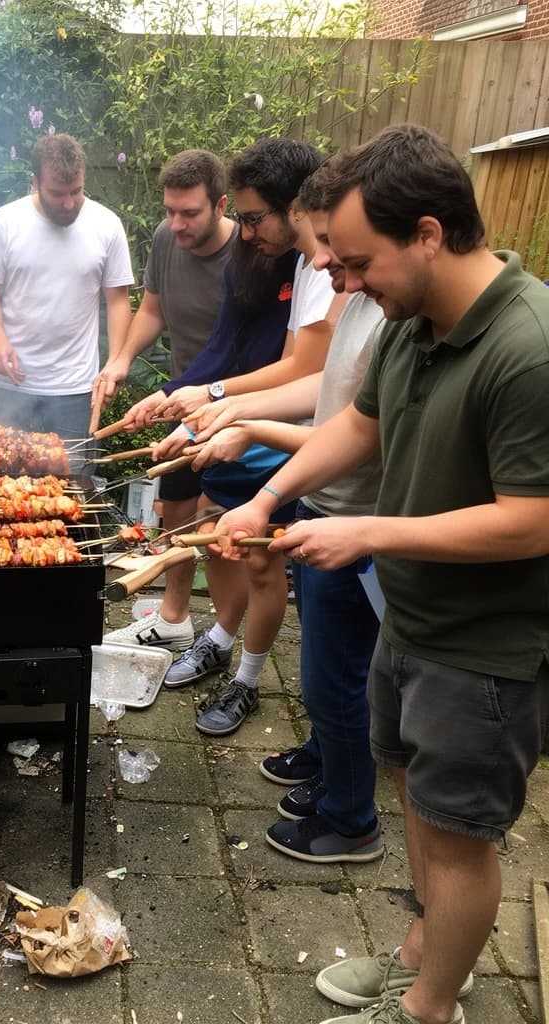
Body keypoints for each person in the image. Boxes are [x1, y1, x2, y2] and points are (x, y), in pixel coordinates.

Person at [213, 124, 549, 1024]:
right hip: (411, 620)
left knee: (460, 836)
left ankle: (429, 1007)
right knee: (416, 802)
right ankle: (424, 952)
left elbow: (534, 520)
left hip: (484, 646)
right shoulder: (412, 325)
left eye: (359, 263)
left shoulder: (529, 347)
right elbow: (356, 427)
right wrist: (265, 500)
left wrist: (370, 531)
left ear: (429, 234)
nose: (344, 282)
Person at [112, 139, 342, 739]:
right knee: (223, 539)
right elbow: (288, 365)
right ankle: (219, 640)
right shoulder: (300, 263)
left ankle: (249, 677)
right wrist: (200, 401)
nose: (245, 232)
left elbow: (308, 377)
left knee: (267, 565)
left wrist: (221, 404)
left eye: (251, 217)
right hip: (271, 430)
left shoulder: (321, 269)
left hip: (311, 451)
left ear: (295, 207)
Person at [187, 165, 385, 863]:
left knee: (337, 677)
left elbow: (359, 434)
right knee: (327, 675)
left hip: (356, 520)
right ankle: (331, 760)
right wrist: (233, 419)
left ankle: (349, 817)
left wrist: (240, 421)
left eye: (336, 247)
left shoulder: (374, 304)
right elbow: (341, 416)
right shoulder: (342, 286)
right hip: (327, 504)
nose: (329, 263)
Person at [92, 149, 237, 654]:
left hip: (233, 404)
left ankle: (224, 635)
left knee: (215, 519)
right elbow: (151, 307)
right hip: (180, 400)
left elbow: (245, 348)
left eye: (189, 213)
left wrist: (193, 396)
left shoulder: (248, 253)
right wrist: (121, 359)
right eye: (170, 211)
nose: (176, 224)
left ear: (221, 205)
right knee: (175, 508)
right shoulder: (164, 238)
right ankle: (175, 615)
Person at [0, 133, 134, 458]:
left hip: (76, 389)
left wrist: (115, 362)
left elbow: (117, 301)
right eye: (57, 194)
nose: (69, 203)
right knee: (5, 485)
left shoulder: (107, 225)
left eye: (76, 191)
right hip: (10, 386)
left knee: (72, 489)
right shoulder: (6, 222)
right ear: (35, 182)